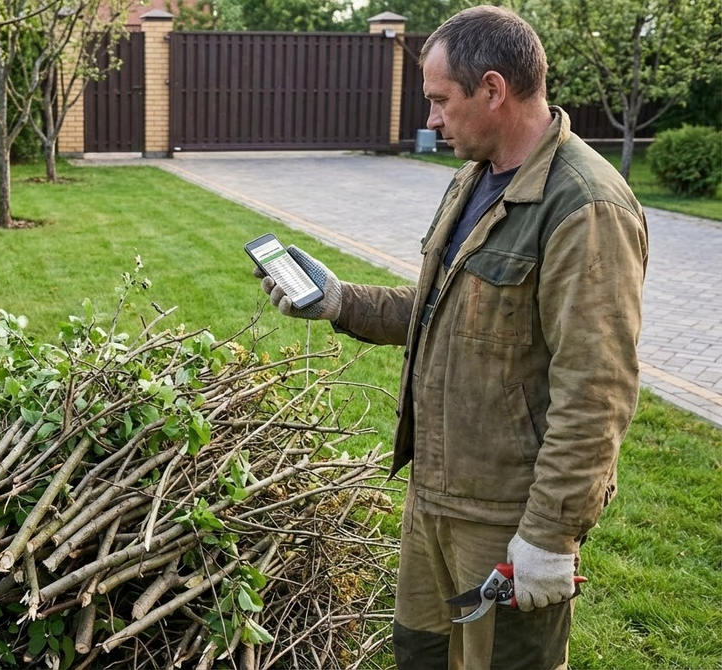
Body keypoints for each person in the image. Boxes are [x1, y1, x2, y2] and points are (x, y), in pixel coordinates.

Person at [254, 5, 648, 669]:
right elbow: (441, 307)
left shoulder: (586, 207)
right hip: (434, 496)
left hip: (505, 519)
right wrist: (342, 302)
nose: (431, 119)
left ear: (493, 90)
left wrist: (549, 536)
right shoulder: (475, 178)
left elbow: (598, 389)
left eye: (440, 100)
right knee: (422, 658)